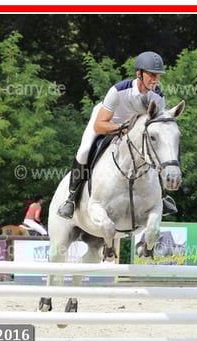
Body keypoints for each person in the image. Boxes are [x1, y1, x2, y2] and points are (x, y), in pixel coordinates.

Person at [57, 51, 178, 219]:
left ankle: (161, 197)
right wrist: (122, 128)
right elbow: (100, 125)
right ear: (139, 74)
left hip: (133, 129)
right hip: (107, 121)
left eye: (158, 75)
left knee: (154, 152)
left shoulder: (158, 97)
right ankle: (71, 198)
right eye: (151, 74)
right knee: (84, 151)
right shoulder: (119, 90)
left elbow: (155, 126)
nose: (155, 79)